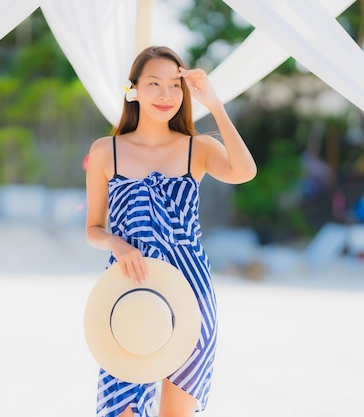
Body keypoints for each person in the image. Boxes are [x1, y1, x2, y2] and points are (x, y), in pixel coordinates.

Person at [85, 46, 257, 417]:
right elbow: (93, 229)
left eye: (174, 85)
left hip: (189, 289)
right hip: (129, 285)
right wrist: (118, 244)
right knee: (122, 408)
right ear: (133, 89)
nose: (165, 94)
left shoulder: (199, 147)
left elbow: (245, 172)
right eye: (154, 83)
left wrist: (215, 103)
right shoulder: (106, 151)